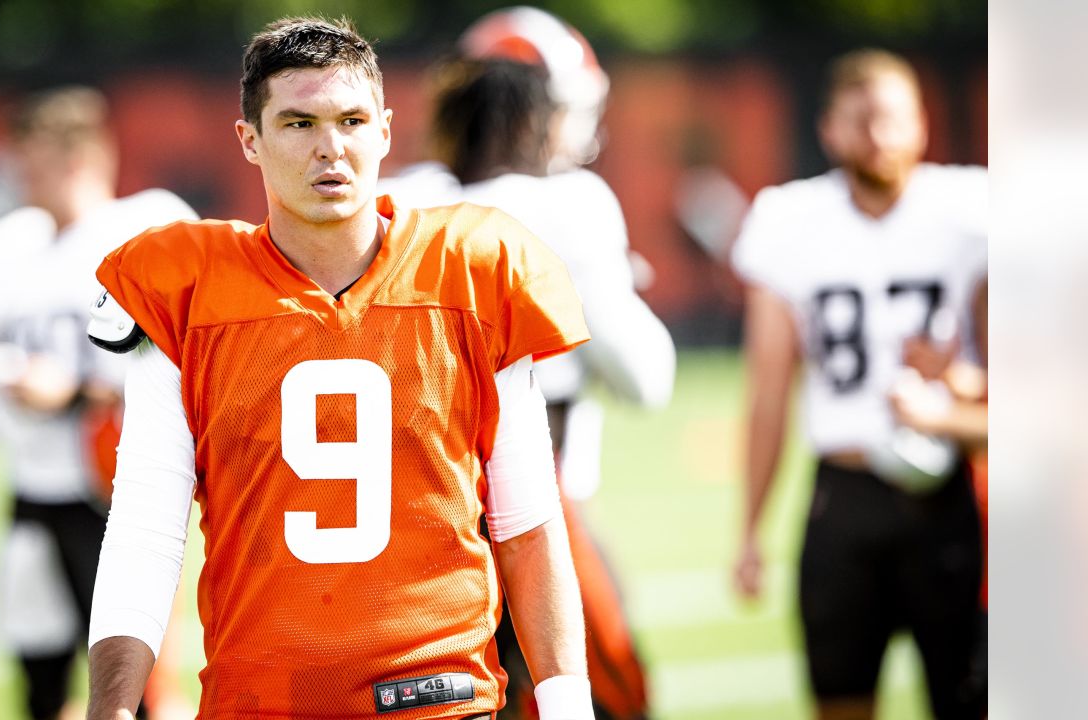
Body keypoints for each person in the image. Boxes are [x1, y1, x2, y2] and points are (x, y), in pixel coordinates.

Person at [84, 16, 595, 720]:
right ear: (250, 142)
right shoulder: (186, 291)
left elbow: (529, 522)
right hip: (262, 703)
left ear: (384, 130)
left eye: (351, 120)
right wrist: (110, 709)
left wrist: (569, 707)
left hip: (436, 698)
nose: (331, 148)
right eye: (298, 123)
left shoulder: (473, 271)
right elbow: (145, 525)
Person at [380, 10, 673, 718]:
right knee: (604, 696)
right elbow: (647, 377)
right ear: (543, 109)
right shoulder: (568, 203)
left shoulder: (404, 199)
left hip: (418, 531)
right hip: (537, 520)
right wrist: (609, 289)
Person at [730, 49, 986, 719]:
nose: (878, 137)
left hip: (950, 499)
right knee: (840, 701)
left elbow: (1026, 382)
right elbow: (768, 391)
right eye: (861, 121)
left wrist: (958, 394)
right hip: (842, 497)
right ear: (829, 131)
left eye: (892, 120)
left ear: (922, 126)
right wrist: (749, 529)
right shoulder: (789, 219)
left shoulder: (972, 212)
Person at [0, 86, 197, 720]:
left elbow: (181, 365)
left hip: (110, 487)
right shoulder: (7, 245)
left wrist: (68, 393)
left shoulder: (140, 227)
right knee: (36, 668)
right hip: (28, 487)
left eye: (31, 159)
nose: (18, 174)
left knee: (128, 682)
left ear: (75, 158)